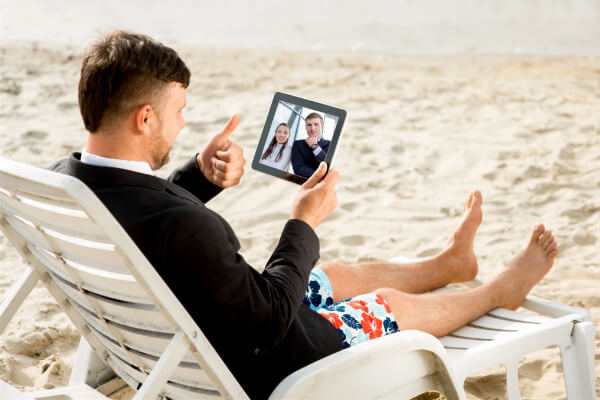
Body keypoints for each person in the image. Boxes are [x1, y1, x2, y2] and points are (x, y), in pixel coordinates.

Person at [51, 31, 558, 399]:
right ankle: (498, 292)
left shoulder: (68, 184)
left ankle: (449, 266)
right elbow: (269, 319)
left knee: (333, 276)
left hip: (176, 338)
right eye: (178, 112)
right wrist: (303, 222)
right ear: (145, 118)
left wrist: (200, 176)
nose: (182, 125)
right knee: (385, 304)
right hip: (260, 359)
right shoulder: (182, 228)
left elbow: (142, 216)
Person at [291, 113, 330, 178]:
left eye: (316, 124)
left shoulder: (330, 144)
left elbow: (327, 165)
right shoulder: (297, 144)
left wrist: (314, 146)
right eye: (309, 125)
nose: (312, 128)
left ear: (322, 126)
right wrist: (320, 176)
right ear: (306, 127)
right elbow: (299, 168)